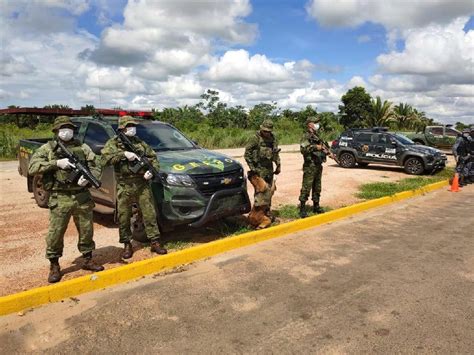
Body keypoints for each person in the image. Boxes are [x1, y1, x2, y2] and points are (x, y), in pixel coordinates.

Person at [28, 116, 104, 283]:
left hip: (81, 195)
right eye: (62, 128)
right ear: (56, 131)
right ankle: (54, 265)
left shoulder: (82, 147)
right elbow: (32, 167)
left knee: (86, 230)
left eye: (69, 128)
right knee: (55, 233)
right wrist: (56, 163)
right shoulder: (48, 148)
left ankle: (87, 259)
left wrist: (90, 179)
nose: (66, 131)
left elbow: (96, 164)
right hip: (59, 196)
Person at [101, 116, 167, 259]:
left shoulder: (140, 143)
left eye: (133, 126)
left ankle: (155, 242)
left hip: (142, 183)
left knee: (149, 213)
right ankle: (126, 244)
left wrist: (152, 170)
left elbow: (153, 157)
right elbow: (104, 160)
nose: (132, 129)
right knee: (124, 216)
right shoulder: (113, 144)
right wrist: (123, 154)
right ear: (122, 128)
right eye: (129, 126)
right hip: (124, 185)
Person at [298, 117, 327, 218]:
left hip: (318, 165)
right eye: (315, 123)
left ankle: (316, 205)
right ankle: (302, 208)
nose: (317, 124)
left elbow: (324, 147)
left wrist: (326, 151)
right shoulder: (306, 136)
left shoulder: (317, 136)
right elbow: (303, 149)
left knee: (317, 187)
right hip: (310, 166)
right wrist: (316, 147)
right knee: (306, 187)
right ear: (310, 124)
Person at [244, 119, 281, 186]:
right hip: (259, 168)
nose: (266, 133)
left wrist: (278, 165)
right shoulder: (255, 138)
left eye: (268, 131)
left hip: (269, 167)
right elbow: (247, 154)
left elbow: (275, 152)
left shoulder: (273, 138)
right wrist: (253, 168)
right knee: (260, 191)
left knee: (269, 189)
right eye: (264, 131)